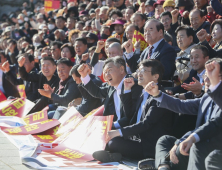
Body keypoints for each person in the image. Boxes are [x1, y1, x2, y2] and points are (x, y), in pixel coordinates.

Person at [139, 57, 222, 170]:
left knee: (194, 146)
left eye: (211, 76)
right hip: (194, 147)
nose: (206, 81)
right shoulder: (206, 98)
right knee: (165, 140)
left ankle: (161, 164)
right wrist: (157, 94)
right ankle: (163, 166)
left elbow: (212, 126)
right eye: (205, 76)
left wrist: (182, 141)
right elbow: (182, 105)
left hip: (212, 150)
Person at [93, 59, 174, 162]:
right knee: (105, 137)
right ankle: (114, 155)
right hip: (137, 139)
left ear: (155, 76)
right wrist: (127, 90)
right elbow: (130, 116)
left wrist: (118, 132)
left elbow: (146, 124)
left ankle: (114, 154)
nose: (139, 74)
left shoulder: (160, 96)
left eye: (144, 71)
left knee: (114, 142)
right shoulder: (143, 94)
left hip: (149, 145)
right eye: (139, 71)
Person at [78, 56, 143, 128]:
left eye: (109, 70)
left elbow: (131, 116)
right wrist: (84, 76)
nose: (107, 74)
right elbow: (97, 92)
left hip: (127, 131)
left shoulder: (134, 85)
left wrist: (111, 126)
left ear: (121, 69)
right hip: (112, 127)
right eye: (105, 72)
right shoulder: (112, 87)